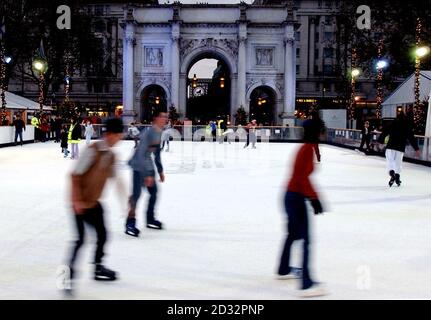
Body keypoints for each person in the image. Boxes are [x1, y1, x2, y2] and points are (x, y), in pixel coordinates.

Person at [65, 118, 124, 294]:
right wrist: (76, 201)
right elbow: (74, 175)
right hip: (80, 203)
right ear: (111, 134)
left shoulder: (111, 155)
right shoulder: (93, 151)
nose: (120, 138)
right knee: (80, 240)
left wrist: (127, 201)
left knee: (103, 235)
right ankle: (66, 277)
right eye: (118, 134)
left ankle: (98, 267)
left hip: (94, 203)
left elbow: (116, 178)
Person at [277, 119, 327, 297]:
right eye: (321, 130)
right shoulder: (306, 149)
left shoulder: (308, 147)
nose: (324, 133)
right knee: (306, 239)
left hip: (291, 195)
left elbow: (302, 176)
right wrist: (314, 198)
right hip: (296, 197)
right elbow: (301, 177)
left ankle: (283, 269)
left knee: (292, 235)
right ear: (316, 132)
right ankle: (307, 284)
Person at [125, 111, 167, 237]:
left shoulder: (159, 133)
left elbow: (157, 154)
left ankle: (150, 219)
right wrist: (146, 174)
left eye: (166, 117)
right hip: (138, 167)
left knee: (153, 193)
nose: (165, 119)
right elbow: (140, 154)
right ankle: (130, 224)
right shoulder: (148, 133)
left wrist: (160, 170)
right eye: (162, 117)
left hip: (148, 166)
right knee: (136, 196)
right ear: (155, 119)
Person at [377, 111, 420, 187]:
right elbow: (411, 138)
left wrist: (380, 141)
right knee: (398, 163)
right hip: (400, 148)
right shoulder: (407, 126)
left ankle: (392, 174)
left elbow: (384, 132)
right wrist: (416, 149)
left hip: (391, 146)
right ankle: (397, 177)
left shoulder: (393, 123)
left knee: (390, 162)